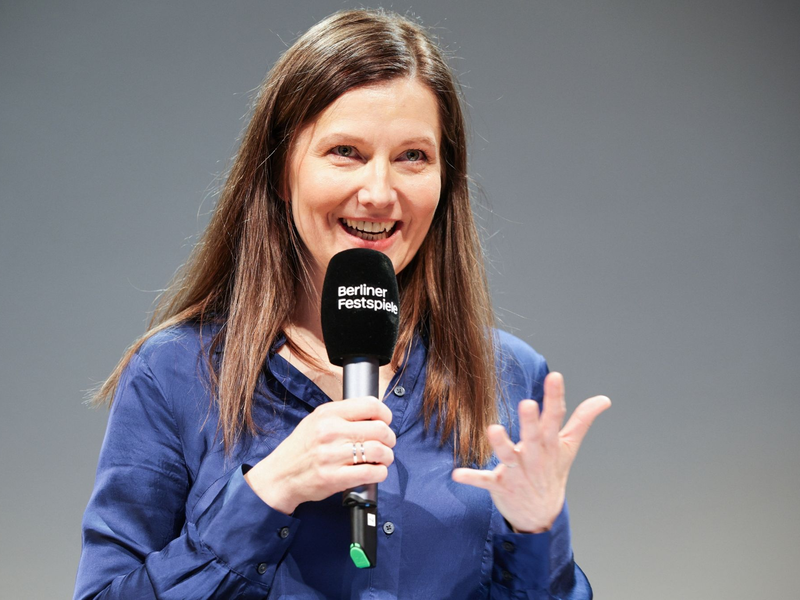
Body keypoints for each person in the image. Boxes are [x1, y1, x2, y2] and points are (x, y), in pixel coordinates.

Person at [75, 8, 610, 599]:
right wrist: (265, 494)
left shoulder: (507, 376)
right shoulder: (174, 373)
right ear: (282, 171)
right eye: (345, 151)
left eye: (413, 156)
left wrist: (538, 533)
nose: (379, 193)